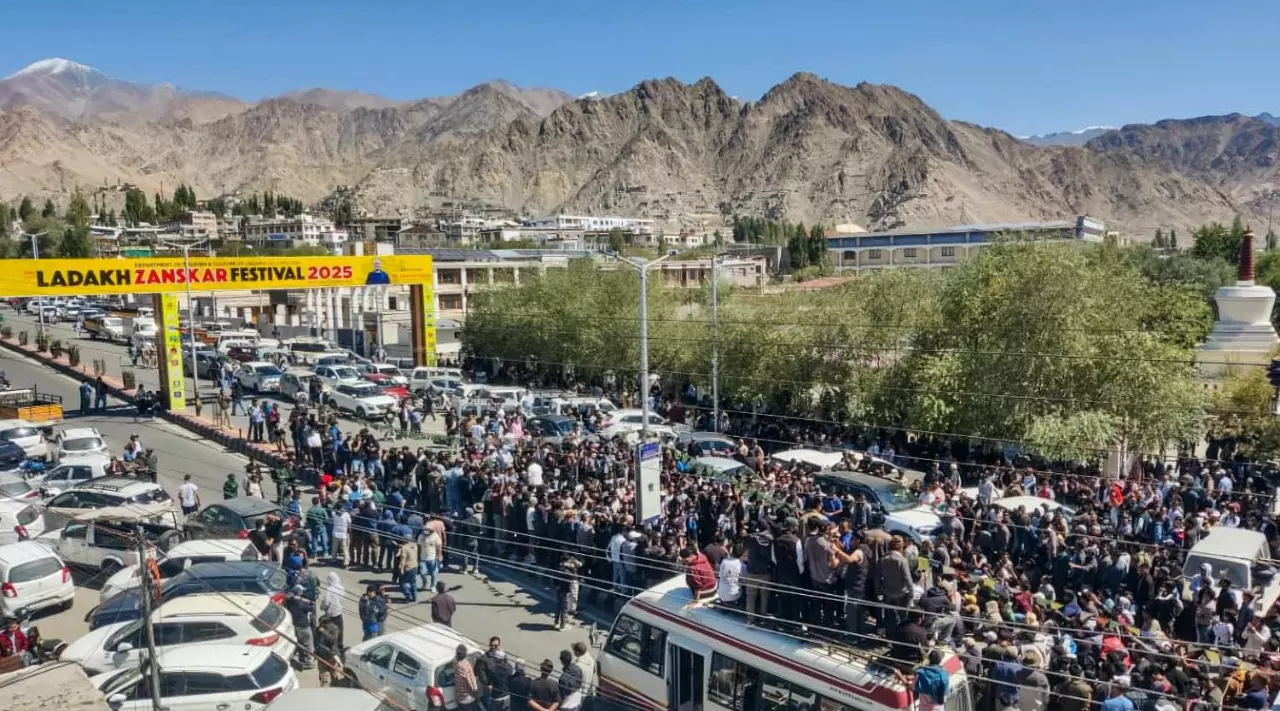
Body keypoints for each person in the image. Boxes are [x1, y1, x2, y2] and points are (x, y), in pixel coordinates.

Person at [285, 584, 315, 670]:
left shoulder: (290, 601)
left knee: (300, 644)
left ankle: (302, 660)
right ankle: (307, 663)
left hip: (295, 625)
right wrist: (310, 602)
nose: (302, 593)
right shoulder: (299, 603)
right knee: (308, 644)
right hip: (304, 626)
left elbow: (290, 597)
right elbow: (311, 608)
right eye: (301, 591)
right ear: (299, 593)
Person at [317, 571, 346, 651]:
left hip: (330, 615)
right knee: (340, 631)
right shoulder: (341, 588)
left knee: (330, 632)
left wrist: (323, 607)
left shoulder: (329, 590)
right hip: (339, 613)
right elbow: (342, 600)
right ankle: (340, 646)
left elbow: (326, 603)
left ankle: (332, 647)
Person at [453, 644, 480, 711]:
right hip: (467, 697)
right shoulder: (465, 666)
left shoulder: (454, 661)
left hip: (459, 696)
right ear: (465, 654)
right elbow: (468, 681)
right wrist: (474, 692)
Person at [418, 521, 442, 591]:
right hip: (423, 558)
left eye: (428, 529)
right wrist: (418, 557)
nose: (426, 531)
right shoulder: (421, 536)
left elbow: (439, 546)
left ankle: (433, 586)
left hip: (432, 558)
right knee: (422, 573)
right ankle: (424, 582)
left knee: (433, 574)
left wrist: (439, 555)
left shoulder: (435, 536)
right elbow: (419, 546)